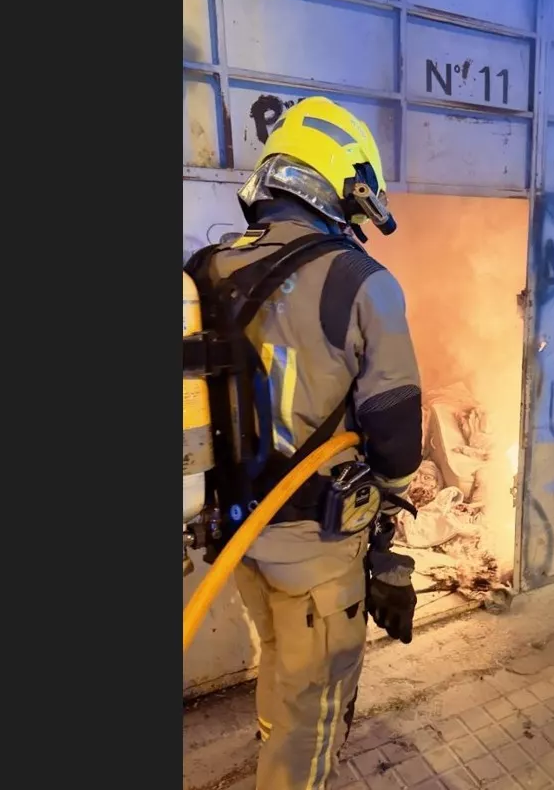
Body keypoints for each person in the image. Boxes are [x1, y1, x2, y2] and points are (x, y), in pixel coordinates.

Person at [192, 96, 421, 790]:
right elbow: (398, 444)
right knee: (313, 720)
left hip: (238, 544)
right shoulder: (363, 283)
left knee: (281, 674)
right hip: (316, 563)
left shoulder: (204, 270)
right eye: (358, 209)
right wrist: (384, 534)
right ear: (336, 185)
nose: (357, 227)